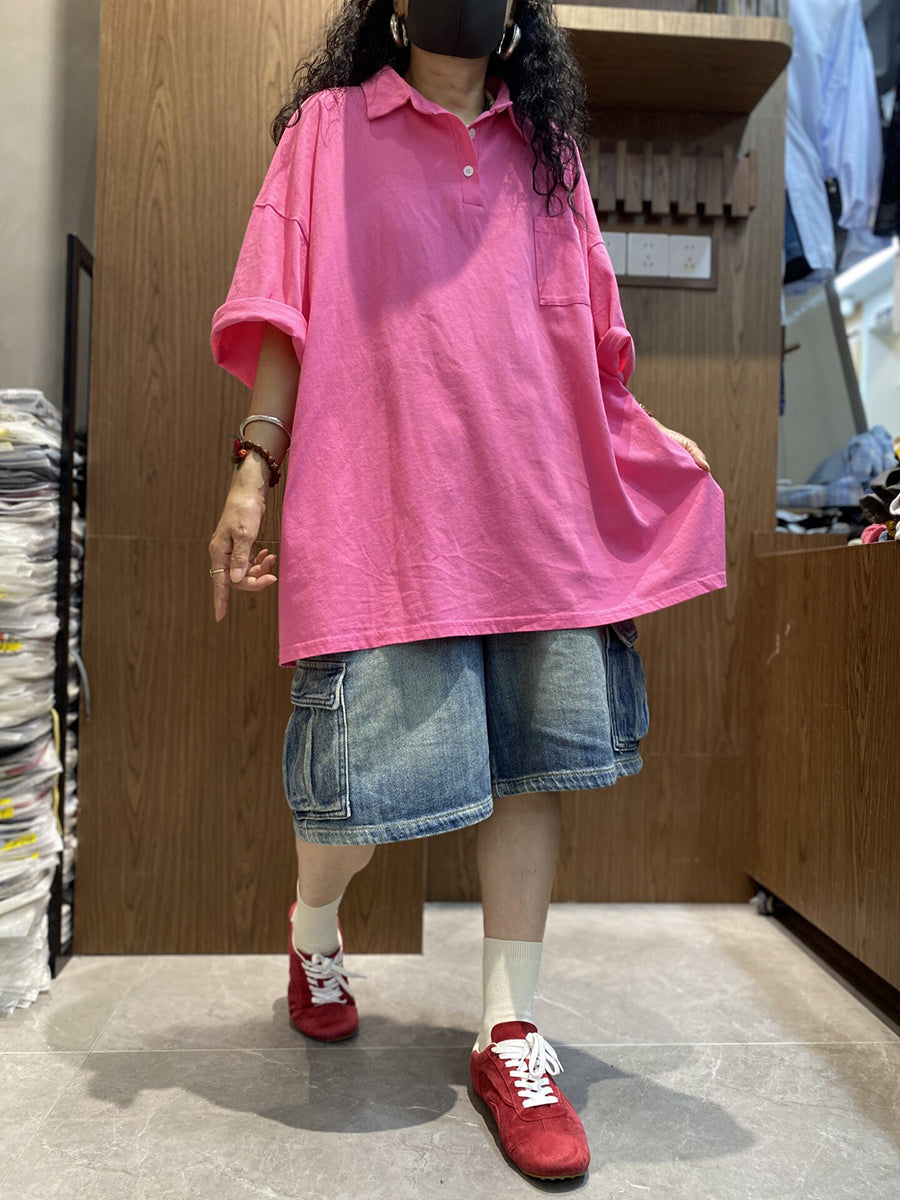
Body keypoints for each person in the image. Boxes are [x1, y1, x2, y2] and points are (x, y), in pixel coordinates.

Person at [208, 0, 726, 1181]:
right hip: (383, 505)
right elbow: (280, 309)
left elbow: (593, 343)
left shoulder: (550, 156)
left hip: (535, 508)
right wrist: (253, 469)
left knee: (531, 772)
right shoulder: (330, 131)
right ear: (393, 7)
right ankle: (315, 927)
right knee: (354, 799)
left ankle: (509, 1034)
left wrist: (644, 439)